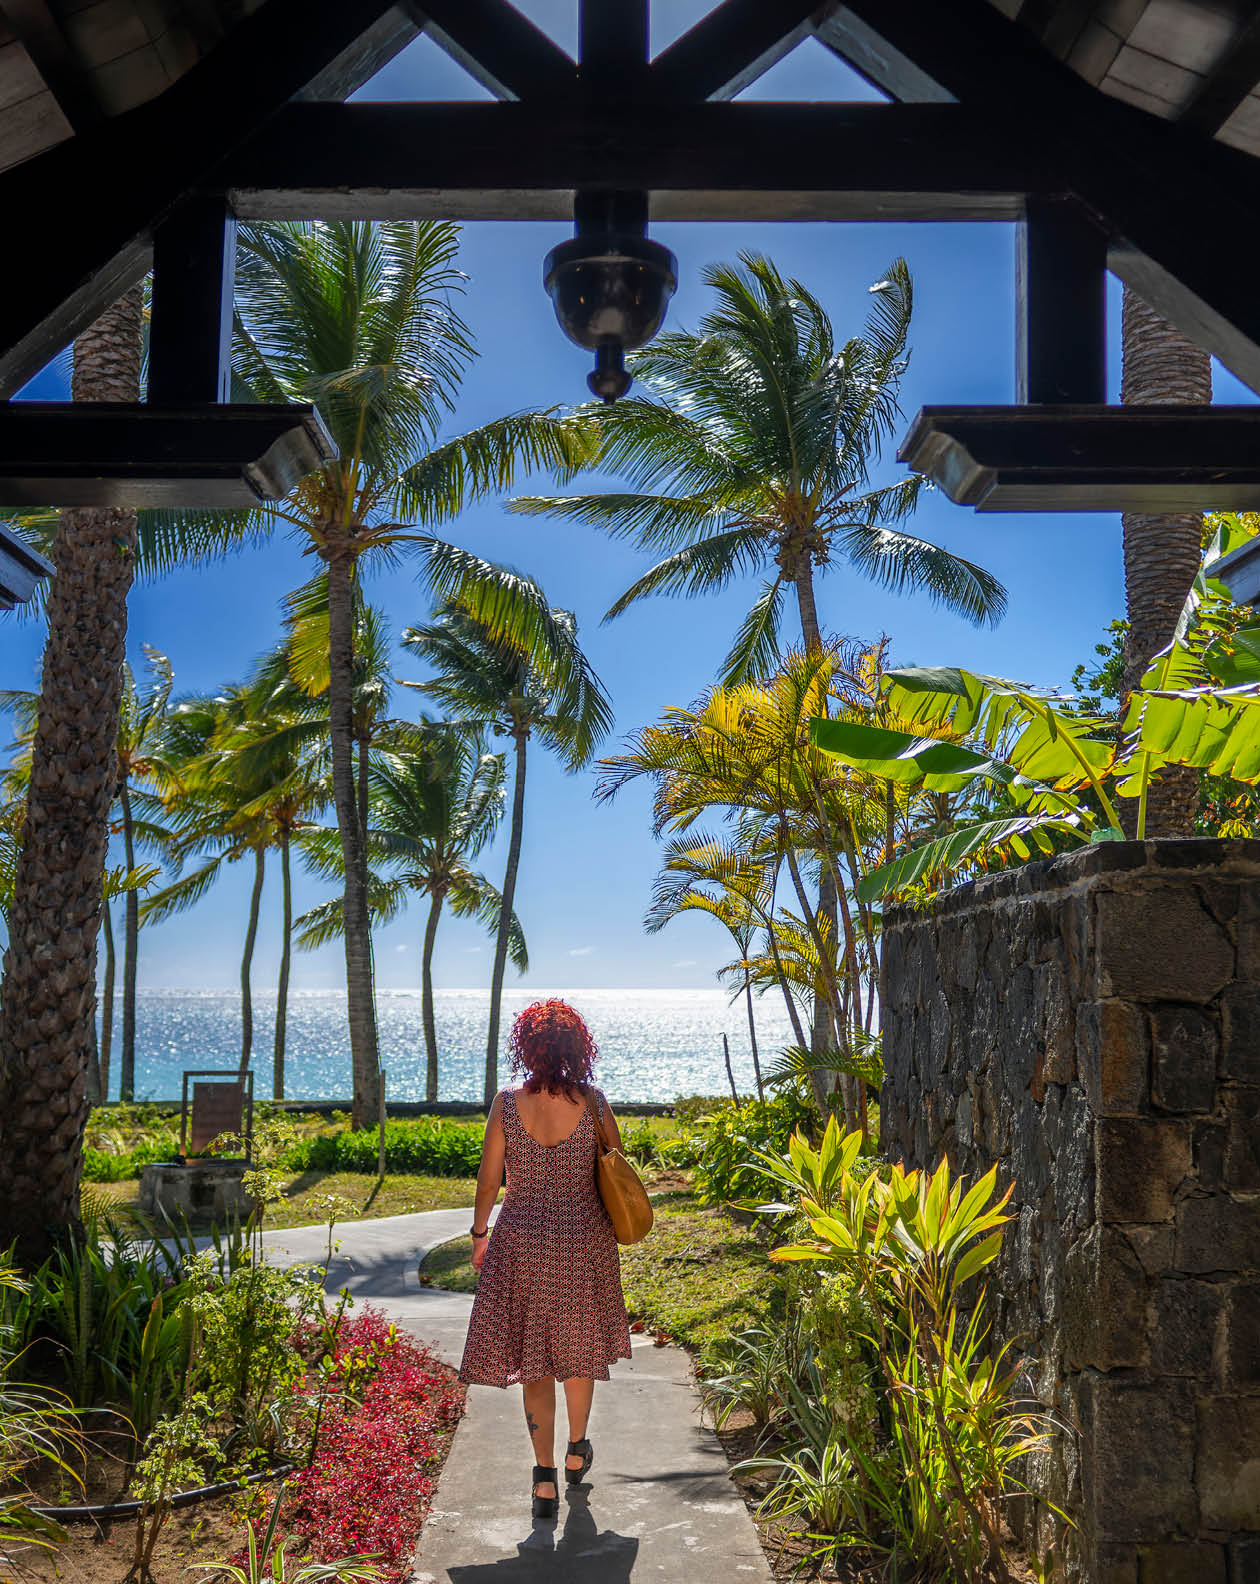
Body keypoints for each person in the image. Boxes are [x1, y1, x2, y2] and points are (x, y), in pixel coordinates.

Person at [458, 999, 632, 1520]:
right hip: (583, 1240)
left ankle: (543, 1482)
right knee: (577, 1351)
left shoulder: (507, 1103)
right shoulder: (595, 1102)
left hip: (523, 1238)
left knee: (535, 1358)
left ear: (526, 1046)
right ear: (580, 1047)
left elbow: (490, 1179)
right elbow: (616, 1170)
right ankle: (577, 1449)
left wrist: (479, 1233)